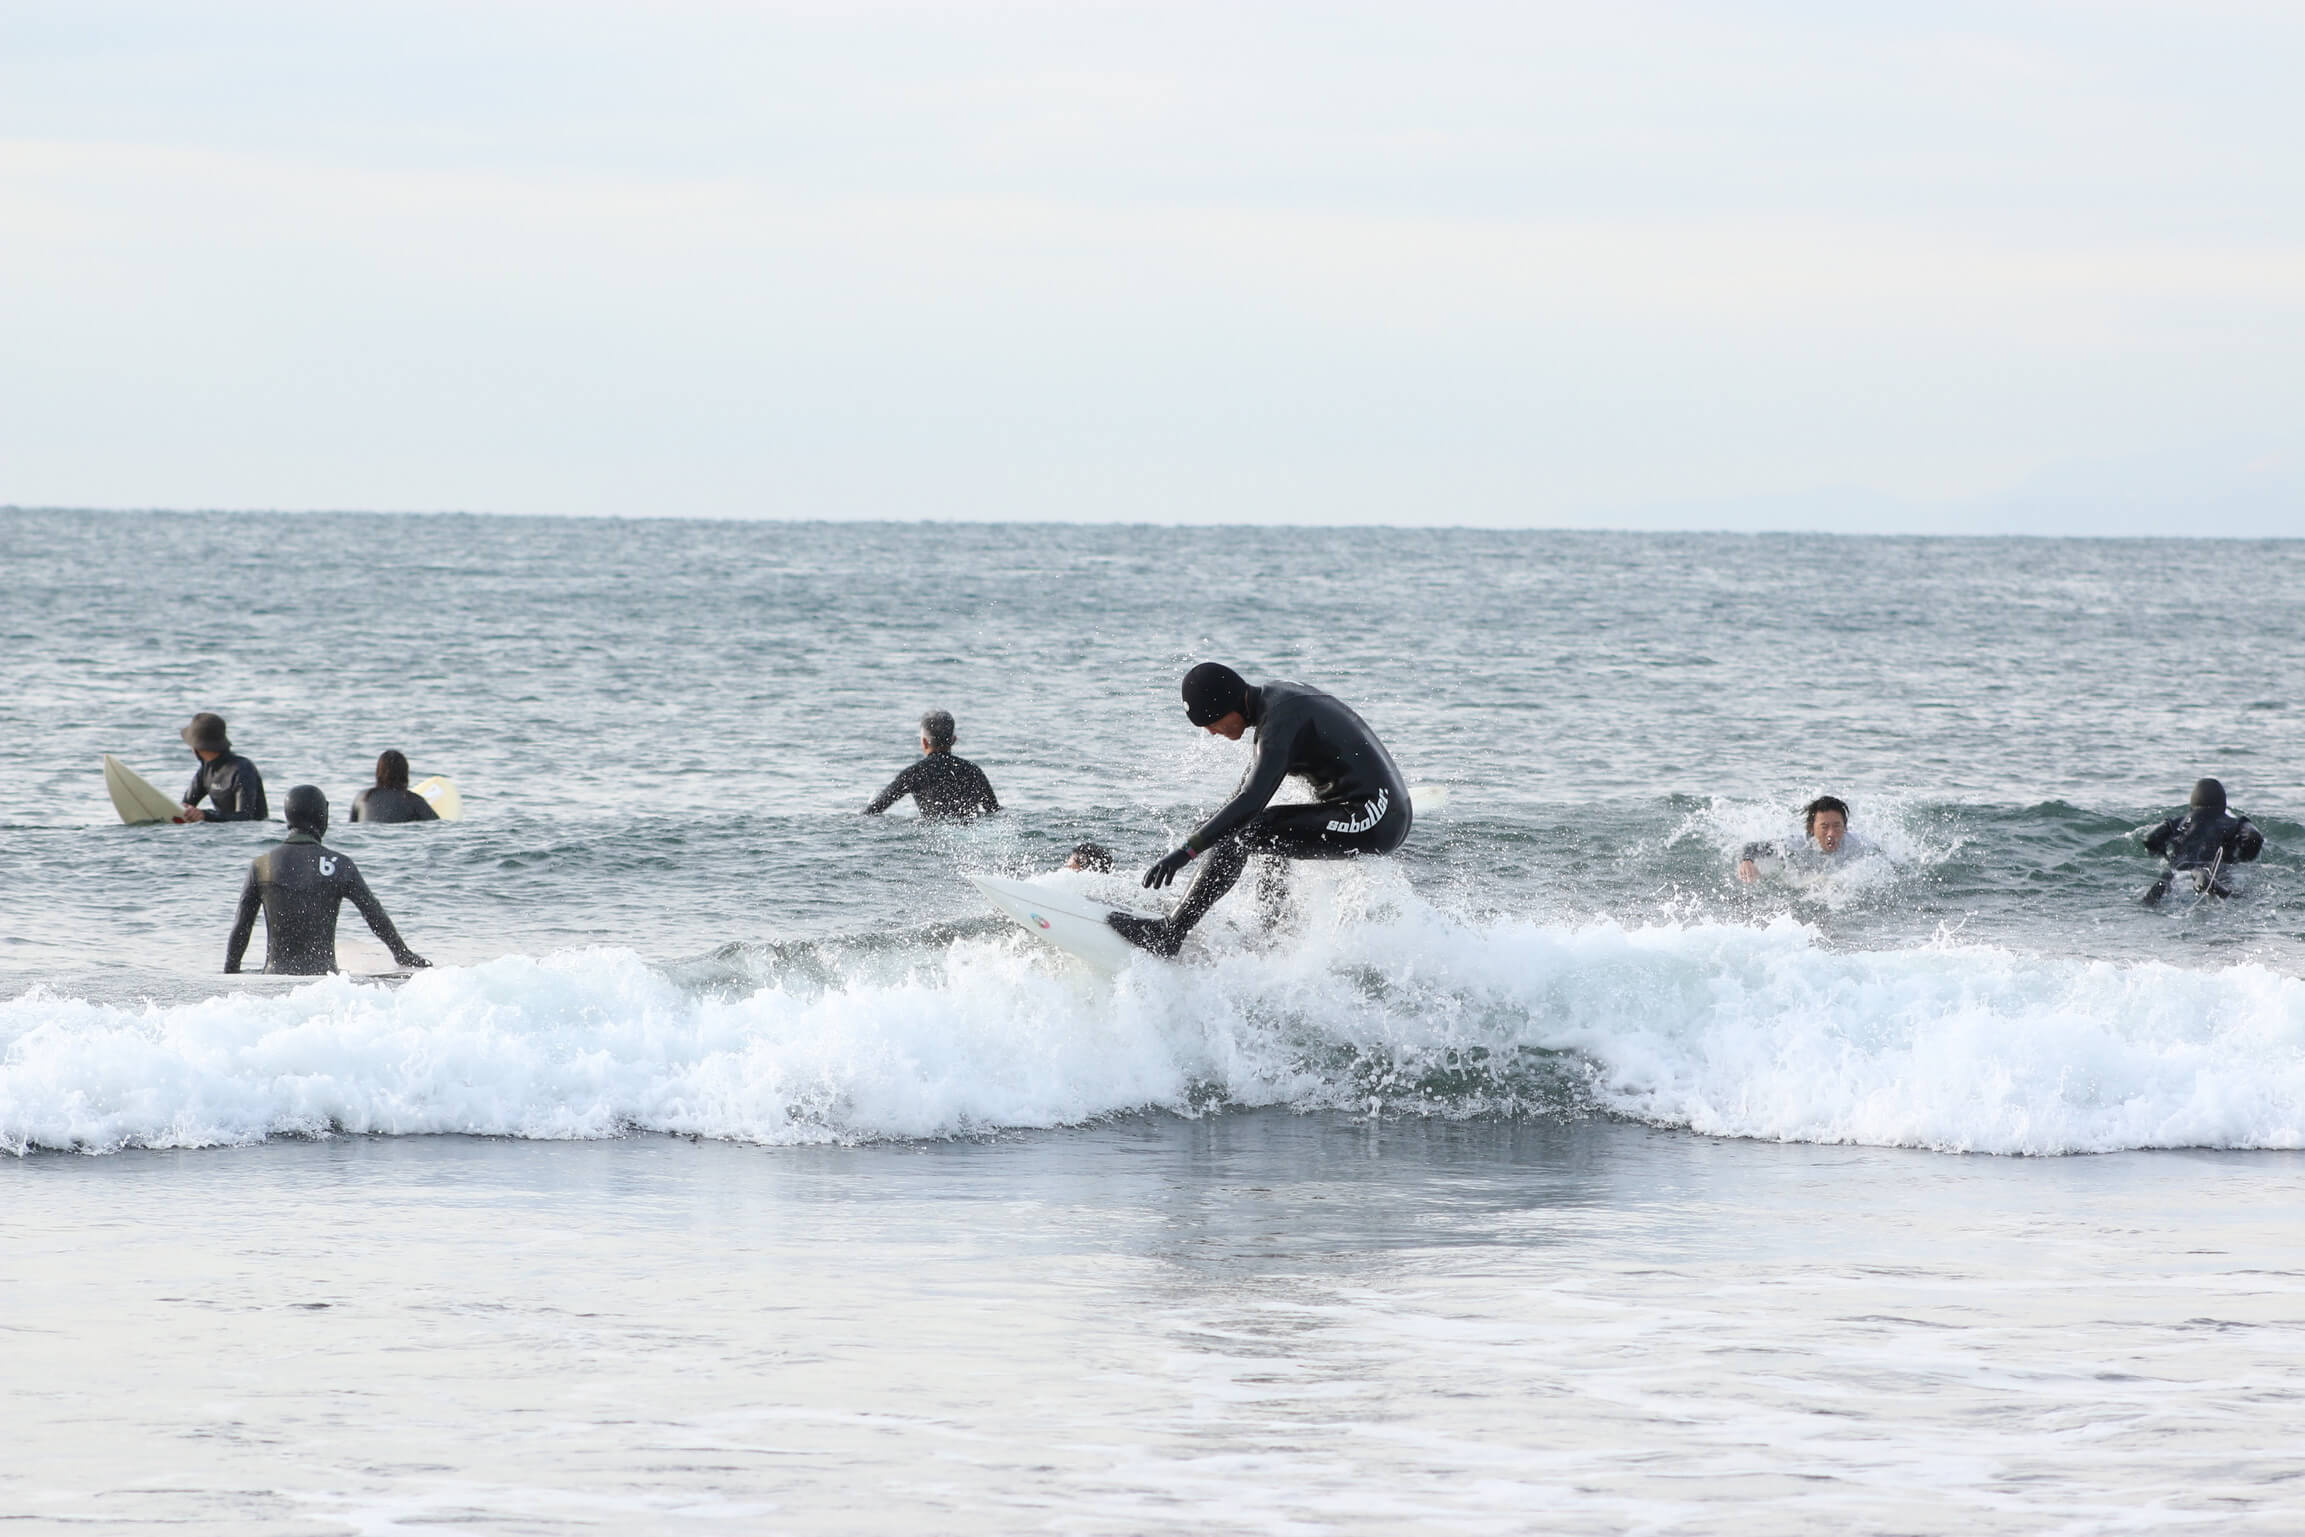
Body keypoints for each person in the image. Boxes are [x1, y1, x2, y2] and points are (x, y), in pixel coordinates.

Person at [1109, 663, 1411, 957]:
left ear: (1229, 706)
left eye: (1212, 723)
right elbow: (1245, 793)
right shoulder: (1274, 701)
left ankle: (1170, 933)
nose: (1212, 733)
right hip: (1382, 809)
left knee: (1246, 831)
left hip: (1375, 818)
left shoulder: (1279, 724)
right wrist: (1207, 834)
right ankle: (1274, 930)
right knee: (1255, 830)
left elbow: (1251, 802)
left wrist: (1187, 852)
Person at [225, 786, 429, 975]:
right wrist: (402, 953)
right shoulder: (339, 864)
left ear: (288, 818)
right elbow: (374, 915)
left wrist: (229, 973)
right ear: (323, 815)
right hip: (324, 982)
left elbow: (241, 928)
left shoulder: (262, 865)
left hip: (274, 979)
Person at [2140, 777, 2263, 904]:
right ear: (2223, 805)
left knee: (2169, 878)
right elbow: (2254, 837)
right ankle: (2214, 885)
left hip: (2180, 866)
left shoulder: (2177, 823)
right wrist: (2243, 858)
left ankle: (2161, 888)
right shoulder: (2234, 823)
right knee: (2237, 895)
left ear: (2192, 805)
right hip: (2215, 867)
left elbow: (2149, 838)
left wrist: (2163, 855)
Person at [863, 710, 1000, 820]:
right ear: (953, 740)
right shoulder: (972, 770)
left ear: (924, 742)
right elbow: (994, 811)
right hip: (970, 833)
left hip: (933, 834)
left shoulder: (914, 773)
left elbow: (873, 810)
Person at [1736, 795, 1858, 883]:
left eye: (1837, 826)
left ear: (1845, 827)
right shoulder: (1797, 845)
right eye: (1824, 827)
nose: (1831, 833)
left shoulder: (1855, 844)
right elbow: (1753, 847)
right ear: (1811, 828)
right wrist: (1747, 861)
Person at [178, 711, 269, 822]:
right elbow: (186, 805)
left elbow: (245, 817)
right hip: (223, 834)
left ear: (196, 747)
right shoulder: (206, 770)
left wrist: (205, 815)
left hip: (252, 834)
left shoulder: (242, 769)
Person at [351, 750, 440, 824]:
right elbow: (437, 827)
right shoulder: (414, 801)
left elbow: (352, 827)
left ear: (378, 772)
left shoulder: (362, 797)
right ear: (405, 773)